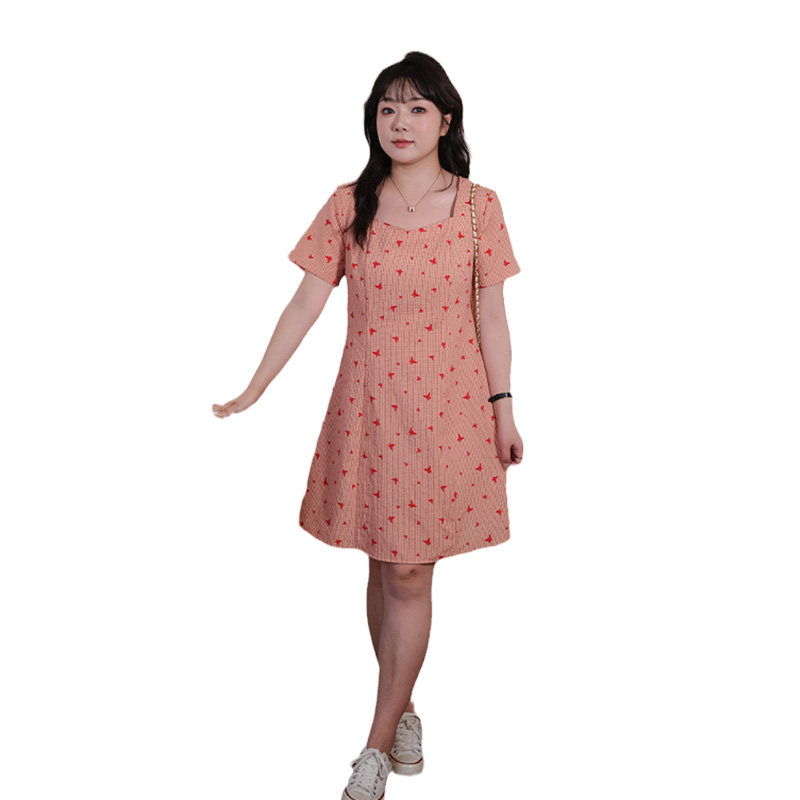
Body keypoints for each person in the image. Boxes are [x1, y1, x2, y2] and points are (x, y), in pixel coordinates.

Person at [212, 51, 523, 800]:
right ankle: (404, 709)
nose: (400, 122)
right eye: (388, 108)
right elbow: (305, 304)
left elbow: (491, 313)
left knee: (412, 571)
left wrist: (504, 407)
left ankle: (375, 748)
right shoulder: (349, 203)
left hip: (450, 411)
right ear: (372, 121)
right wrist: (254, 387)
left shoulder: (479, 207)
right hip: (371, 406)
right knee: (385, 567)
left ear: (446, 121)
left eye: (417, 108)